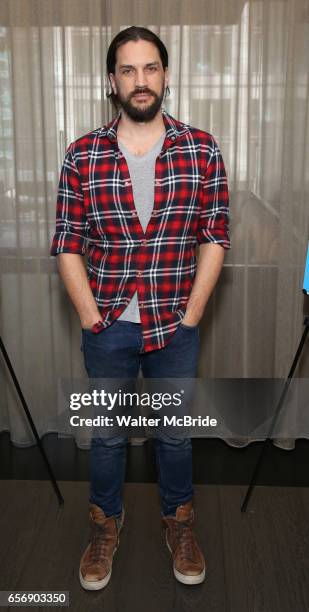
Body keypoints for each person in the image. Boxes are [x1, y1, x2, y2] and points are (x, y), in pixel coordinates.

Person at [50, 26, 230, 590]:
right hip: (107, 326)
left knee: (174, 434)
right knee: (106, 436)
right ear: (112, 81)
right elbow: (67, 242)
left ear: (166, 76)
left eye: (150, 68)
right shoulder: (83, 154)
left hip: (176, 324)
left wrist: (194, 315)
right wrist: (89, 316)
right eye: (128, 70)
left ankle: (179, 523)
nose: (140, 80)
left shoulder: (201, 149)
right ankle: (104, 527)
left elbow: (215, 236)